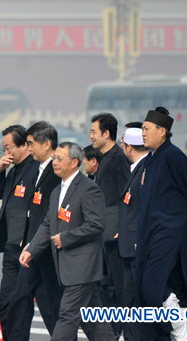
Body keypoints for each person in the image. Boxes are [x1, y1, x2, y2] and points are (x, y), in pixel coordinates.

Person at [19, 142, 115, 341]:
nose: (55, 162)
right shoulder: (57, 191)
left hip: (82, 266)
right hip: (67, 267)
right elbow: (48, 224)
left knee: (67, 316)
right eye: (54, 158)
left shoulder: (89, 189)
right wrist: (32, 248)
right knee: (95, 321)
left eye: (59, 159)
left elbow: (96, 225)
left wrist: (65, 238)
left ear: (74, 163)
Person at [136, 107, 187, 341]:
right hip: (154, 235)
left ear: (162, 131)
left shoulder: (173, 155)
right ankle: (182, 330)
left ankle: (182, 329)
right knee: (171, 288)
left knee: (153, 288)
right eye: (142, 129)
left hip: (170, 236)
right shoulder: (151, 159)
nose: (143, 133)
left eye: (147, 129)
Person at [7, 121, 61, 340]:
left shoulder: (56, 170)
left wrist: (35, 243)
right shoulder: (38, 168)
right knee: (21, 301)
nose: (28, 149)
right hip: (32, 247)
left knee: (50, 307)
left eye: (31, 144)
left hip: (44, 250)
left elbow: (49, 216)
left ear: (46, 144)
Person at [0, 124, 37, 339]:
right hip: (10, 244)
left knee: (22, 300)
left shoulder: (36, 169)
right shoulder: (13, 169)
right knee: (7, 299)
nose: (7, 153)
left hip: (25, 245)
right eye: (4, 149)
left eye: (9, 148)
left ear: (25, 145)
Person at [89, 112, 130, 335]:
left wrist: (121, 229)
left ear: (107, 133)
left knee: (123, 288)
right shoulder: (104, 158)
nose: (91, 136)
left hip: (116, 236)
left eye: (94, 131)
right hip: (105, 234)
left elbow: (129, 196)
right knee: (110, 286)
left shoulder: (119, 158)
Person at [116, 124, 149, 341]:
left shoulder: (147, 169)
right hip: (129, 247)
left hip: (138, 248)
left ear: (129, 147)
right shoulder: (137, 168)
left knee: (137, 301)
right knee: (130, 301)